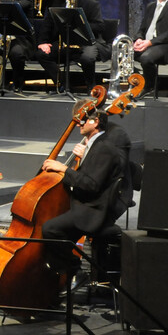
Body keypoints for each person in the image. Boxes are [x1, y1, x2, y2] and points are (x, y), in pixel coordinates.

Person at [40, 108, 126, 280]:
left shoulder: (104, 148)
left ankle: (74, 268)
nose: (79, 124)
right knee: (56, 232)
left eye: (84, 120)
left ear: (95, 122)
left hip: (93, 211)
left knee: (50, 229)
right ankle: (61, 276)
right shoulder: (96, 145)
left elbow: (91, 184)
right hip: (83, 204)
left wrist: (64, 169)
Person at [35, 0, 104, 91]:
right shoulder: (57, 2)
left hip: (86, 43)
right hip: (65, 42)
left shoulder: (90, 3)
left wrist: (80, 25)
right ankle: (63, 83)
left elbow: (99, 26)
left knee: (87, 58)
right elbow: (47, 25)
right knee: (41, 54)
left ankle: (91, 87)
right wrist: (43, 42)